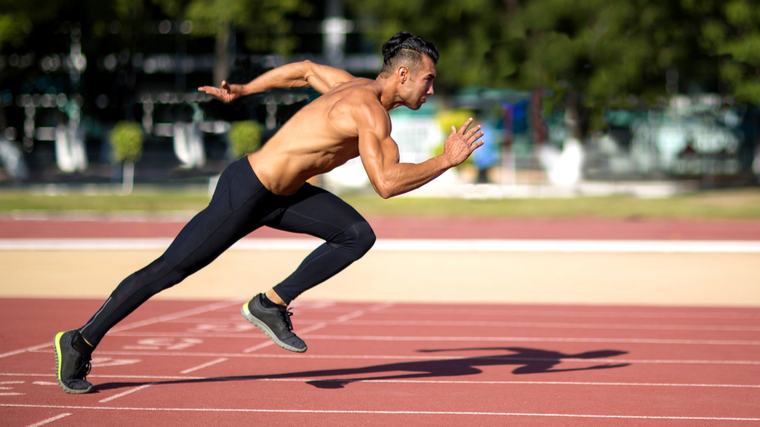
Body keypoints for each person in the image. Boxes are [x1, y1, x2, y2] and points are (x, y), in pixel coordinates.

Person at [53, 31, 484, 394]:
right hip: (247, 191)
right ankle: (80, 340)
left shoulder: (351, 86)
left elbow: (305, 70)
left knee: (356, 233)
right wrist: (446, 160)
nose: (430, 90)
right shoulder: (366, 109)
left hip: (285, 195)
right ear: (403, 74)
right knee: (169, 269)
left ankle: (270, 303)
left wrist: (245, 89)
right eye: (428, 80)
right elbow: (386, 184)